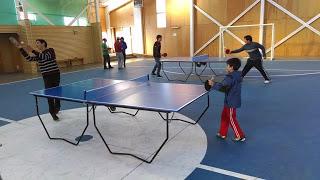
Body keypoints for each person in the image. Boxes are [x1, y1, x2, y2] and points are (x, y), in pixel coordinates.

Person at [16, 39, 60, 120]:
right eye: (36, 44)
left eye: (38, 43)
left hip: (55, 74)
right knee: (49, 94)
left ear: (43, 43)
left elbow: (45, 57)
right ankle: (52, 112)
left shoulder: (50, 51)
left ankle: (57, 106)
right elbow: (29, 58)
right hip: (46, 76)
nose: (36, 45)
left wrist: (32, 50)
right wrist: (21, 49)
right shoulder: (39, 55)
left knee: (57, 92)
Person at [208, 58, 246, 142]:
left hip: (231, 101)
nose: (226, 67)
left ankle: (240, 136)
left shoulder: (230, 77)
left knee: (231, 119)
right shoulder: (237, 75)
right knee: (224, 116)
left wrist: (212, 84)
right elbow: (226, 87)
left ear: (231, 67)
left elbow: (223, 86)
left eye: (227, 66)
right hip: (229, 100)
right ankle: (222, 133)